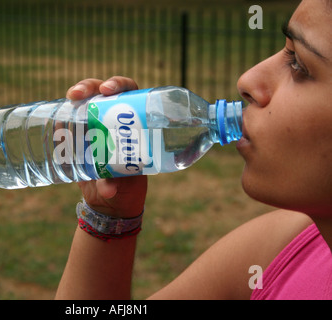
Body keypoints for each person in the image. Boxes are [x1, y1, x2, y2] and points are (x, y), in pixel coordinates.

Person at [55, 0, 332, 300]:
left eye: (298, 65)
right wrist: (108, 215)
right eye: (286, 48)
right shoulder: (285, 251)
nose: (247, 79)